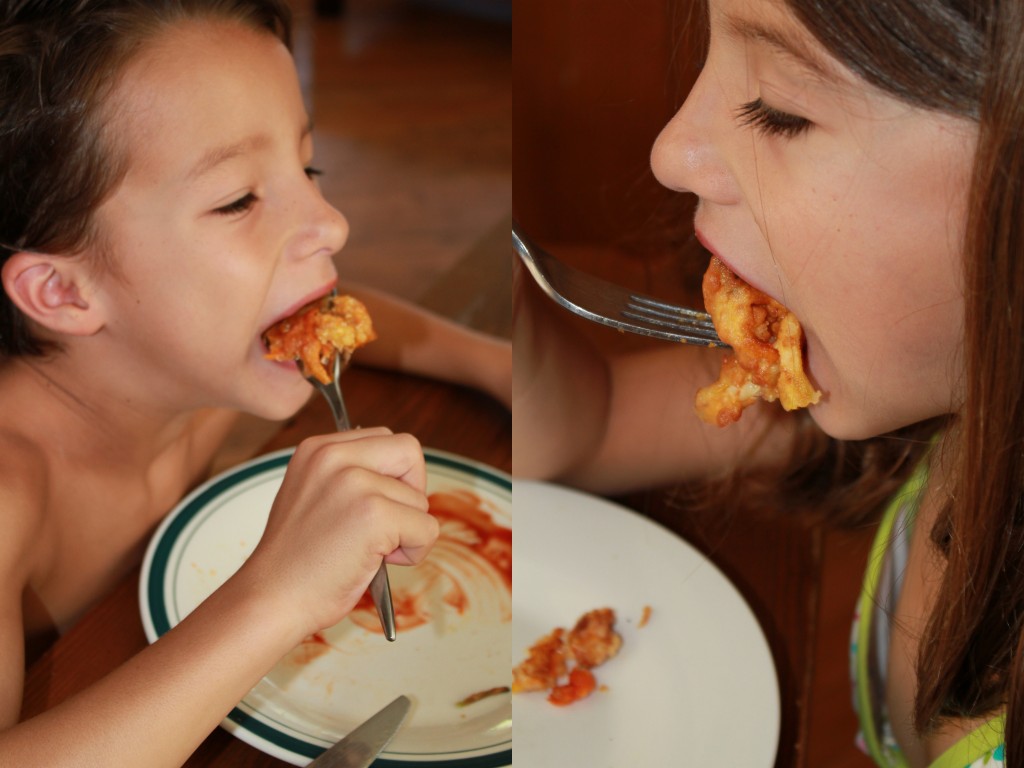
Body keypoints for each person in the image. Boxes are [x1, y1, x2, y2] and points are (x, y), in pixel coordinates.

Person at [514, 0, 1022, 765]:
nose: (670, 152)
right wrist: (486, 306)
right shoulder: (952, 404)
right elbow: (590, 426)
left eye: (778, 110)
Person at [0, 0, 508, 763]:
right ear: (65, 293)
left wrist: (490, 361)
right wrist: (278, 591)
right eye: (238, 197)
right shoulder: (12, 496)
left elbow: (340, 313)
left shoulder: (194, 367)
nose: (331, 221)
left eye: (308, 168)